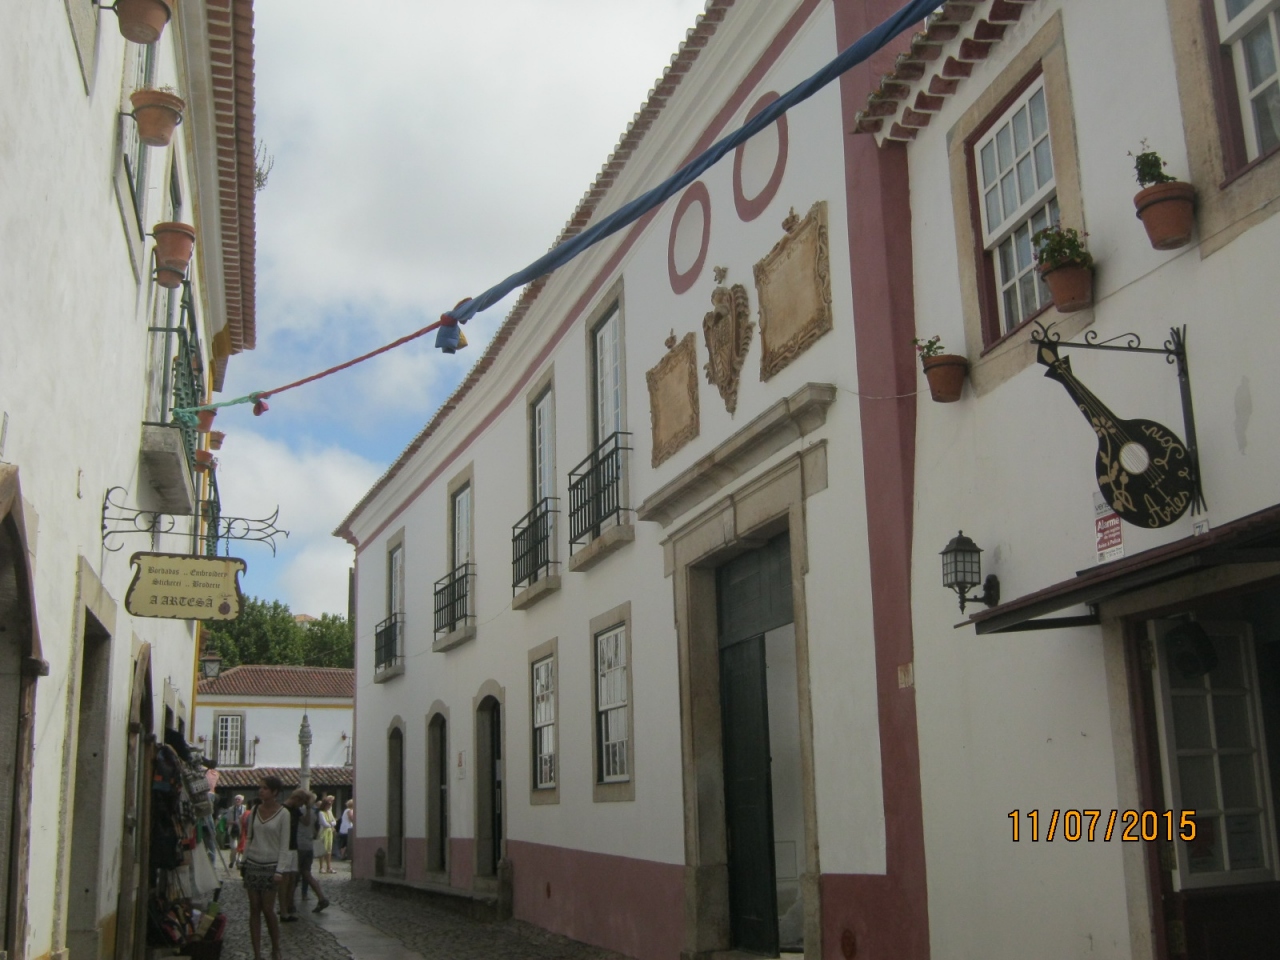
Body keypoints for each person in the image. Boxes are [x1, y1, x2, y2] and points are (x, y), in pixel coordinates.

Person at [242, 779, 290, 960]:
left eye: (265, 788)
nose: (261, 791)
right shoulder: (255, 810)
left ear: (275, 792)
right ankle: (256, 953)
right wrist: (244, 861)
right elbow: (249, 837)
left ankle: (275, 948)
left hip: (271, 865)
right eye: (260, 788)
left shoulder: (283, 813)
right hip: (253, 863)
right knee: (254, 908)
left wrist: (280, 870)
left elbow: (284, 844)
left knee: (268, 909)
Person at [277, 789, 308, 921]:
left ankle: (289, 905)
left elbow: (306, 822)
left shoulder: (295, 810)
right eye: (302, 802)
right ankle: (283, 910)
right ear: (297, 799)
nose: (302, 806)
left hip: (294, 847)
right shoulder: (282, 810)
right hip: (285, 848)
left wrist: (309, 808)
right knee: (285, 880)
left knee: (293, 879)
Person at [316, 797, 337, 874]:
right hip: (323, 832)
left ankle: (329, 867)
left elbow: (334, 821)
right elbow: (324, 823)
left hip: (329, 832)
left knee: (329, 849)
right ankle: (321, 867)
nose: (329, 806)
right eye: (328, 804)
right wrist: (331, 824)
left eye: (330, 804)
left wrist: (331, 823)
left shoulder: (330, 812)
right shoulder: (321, 813)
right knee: (322, 850)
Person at [226, 795, 246, 869]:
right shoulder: (231, 809)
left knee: (241, 846)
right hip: (233, 829)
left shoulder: (245, 808)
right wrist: (234, 822)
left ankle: (238, 861)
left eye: (239, 799)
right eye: (236, 799)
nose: (237, 801)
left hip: (242, 829)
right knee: (234, 847)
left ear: (242, 801)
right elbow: (228, 821)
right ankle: (232, 860)